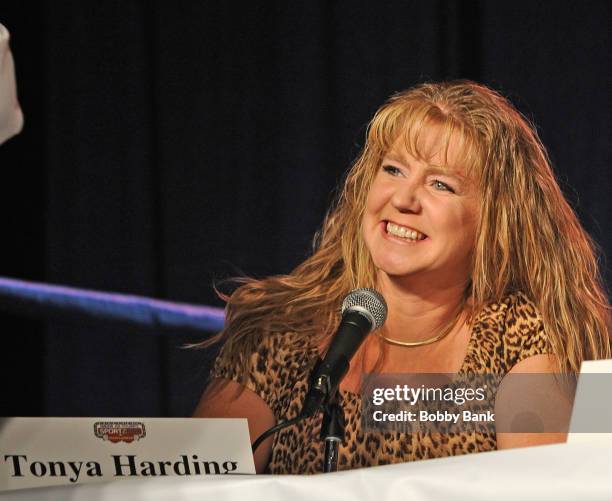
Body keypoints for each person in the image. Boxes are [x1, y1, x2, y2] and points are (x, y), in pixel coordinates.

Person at [193, 81, 611, 474]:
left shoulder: (520, 335)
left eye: (441, 185)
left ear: (493, 221)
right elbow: (192, 497)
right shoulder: (279, 332)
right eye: (393, 170)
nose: (404, 199)